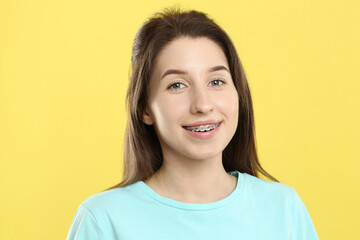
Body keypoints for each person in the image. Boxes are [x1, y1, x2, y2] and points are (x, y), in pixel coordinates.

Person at [66, 8, 319, 240]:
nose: (203, 104)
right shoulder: (102, 220)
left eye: (216, 81)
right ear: (144, 108)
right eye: (177, 85)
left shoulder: (284, 209)